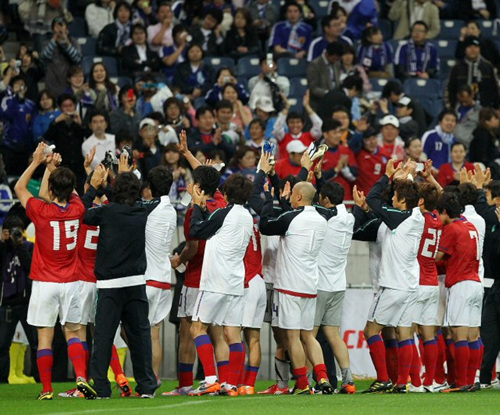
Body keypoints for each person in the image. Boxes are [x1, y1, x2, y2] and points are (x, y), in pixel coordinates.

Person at [14, 143, 94, 400]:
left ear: (49, 189)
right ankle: (81, 379)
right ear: (71, 190)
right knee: (72, 332)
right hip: (71, 282)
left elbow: (19, 188)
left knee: (44, 337)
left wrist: (39, 162)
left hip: (45, 282)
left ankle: (47, 389)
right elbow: (61, 194)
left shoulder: (40, 211)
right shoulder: (78, 209)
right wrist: (53, 168)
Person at [81, 158, 159, 399]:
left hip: (110, 286)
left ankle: (102, 388)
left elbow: (83, 213)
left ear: (113, 192)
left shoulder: (105, 212)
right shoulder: (142, 210)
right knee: (140, 337)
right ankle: (147, 386)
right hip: (135, 283)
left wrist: (93, 187)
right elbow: (138, 197)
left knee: (103, 339)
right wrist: (125, 173)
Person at [260, 181, 333, 395]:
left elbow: (266, 225)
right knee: (308, 336)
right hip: (310, 284)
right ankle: (323, 378)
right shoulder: (321, 220)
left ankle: (302, 384)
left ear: (299, 196)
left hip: (289, 285)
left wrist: (268, 200)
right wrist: (284, 203)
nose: (290, 197)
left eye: (292, 194)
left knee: (293, 337)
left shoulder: (291, 218)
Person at [165, 148, 228, 396]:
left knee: (188, 331)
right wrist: (188, 154)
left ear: (198, 187)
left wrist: (179, 259)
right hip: (219, 277)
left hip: (196, 277)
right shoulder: (222, 202)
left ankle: (189, 384)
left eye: (193, 182)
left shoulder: (194, 211)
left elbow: (193, 246)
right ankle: (225, 381)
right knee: (218, 332)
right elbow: (207, 179)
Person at [188, 174, 254, 396]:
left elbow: (197, 230)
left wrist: (197, 205)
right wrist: (205, 211)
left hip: (215, 280)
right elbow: (215, 224)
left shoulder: (224, 213)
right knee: (233, 334)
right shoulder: (247, 216)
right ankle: (232, 384)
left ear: (225, 195)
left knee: (197, 328)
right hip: (235, 282)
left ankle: (209, 380)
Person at [363, 160, 425, 394]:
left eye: (395, 196)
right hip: (410, 284)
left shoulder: (398, 218)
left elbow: (372, 199)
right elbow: (409, 194)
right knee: (404, 333)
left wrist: (386, 176)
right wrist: (406, 175)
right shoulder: (417, 215)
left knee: (370, 331)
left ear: (402, 201)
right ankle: (402, 383)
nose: (391, 199)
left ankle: (383, 379)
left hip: (392, 285)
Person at [436, 192, 483, 392]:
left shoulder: (451, 229)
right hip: (475, 283)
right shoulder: (470, 226)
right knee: (473, 335)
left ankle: (462, 383)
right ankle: (472, 381)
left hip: (461, 284)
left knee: (458, 334)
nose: (438, 218)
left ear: (445, 212)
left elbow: (438, 256)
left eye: (439, 214)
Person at [313, 182, 356, 393]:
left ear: (327, 201)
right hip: (338, 285)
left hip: (320, 284)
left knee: (308, 336)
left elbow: (311, 206)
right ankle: (348, 380)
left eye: (321, 197)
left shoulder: (325, 220)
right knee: (333, 334)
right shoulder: (349, 218)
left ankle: (319, 381)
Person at [144, 166, 177, 382]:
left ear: (149, 187)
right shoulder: (172, 210)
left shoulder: (147, 209)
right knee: (154, 333)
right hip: (164, 279)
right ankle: (153, 378)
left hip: (147, 277)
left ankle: (145, 375)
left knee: (131, 330)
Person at [411, 177, 443, 393]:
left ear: (421, 201)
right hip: (433, 282)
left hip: (417, 281)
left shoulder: (417, 220)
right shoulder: (437, 220)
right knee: (428, 333)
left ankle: (414, 382)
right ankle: (430, 381)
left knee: (406, 332)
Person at [0, 216, 37, 384]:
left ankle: (40, 379)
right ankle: (2, 381)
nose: (15, 235)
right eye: (12, 231)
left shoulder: (29, 247)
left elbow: (31, 268)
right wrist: (2, 243)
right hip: (6, 304)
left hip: (27, 303)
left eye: (18, 231)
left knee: (36, 343)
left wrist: (21, 245)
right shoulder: (2, 248)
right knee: (2, 345)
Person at [43, 94, 86, 191]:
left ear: (75, 106)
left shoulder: (80, 123)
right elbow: (47, 137)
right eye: (65, 106)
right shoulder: (56, 124)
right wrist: (56, 121)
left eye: (70, 105)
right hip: (63, 164)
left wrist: (80, 124)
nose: (68, 109)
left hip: (78, 166)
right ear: (60, 108)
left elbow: (89, 136)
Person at [447, 36, 500, 109]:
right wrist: (452, 107)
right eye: (470, 47)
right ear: (465, 49)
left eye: (475, 47)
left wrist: (496, 108)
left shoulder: (488, 67)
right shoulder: (456, 68)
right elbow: (450, 90)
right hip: (460, 109)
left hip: (484, 109)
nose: (473, 50)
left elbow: (495, 90)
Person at [0, 76, 37, 176]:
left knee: (22, 176)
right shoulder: (6, 101)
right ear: (12, 88)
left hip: (25, 146)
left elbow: (32, 126)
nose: (19, 87)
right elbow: (5, 115)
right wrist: (15, 99)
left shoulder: (31, 105)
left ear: (26, 88)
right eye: (17, 85)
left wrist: (32, 147)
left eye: (22, 85)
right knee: (8, 175)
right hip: (8, 145)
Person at [40, 17, 82, 97]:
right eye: (56, 26)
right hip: (52, 83)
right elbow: (45, 57)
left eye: (61, 25)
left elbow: (77, 59)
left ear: (67, 29)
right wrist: (54, 40)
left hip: (69, 84)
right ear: (52, 30)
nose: (59, 29)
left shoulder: (73, 42)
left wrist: (66, 42)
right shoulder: (46, 43)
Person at [272, 92, 322, 158]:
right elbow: (277, 128)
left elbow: (319, 125)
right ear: (287, 124)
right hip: (285, 167)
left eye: (298, 122)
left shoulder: (310, 136)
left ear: (303, 124)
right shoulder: (283, 138)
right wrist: (287, 107)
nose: (295, 125)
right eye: (292, 122)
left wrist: (307, 106)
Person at [320, 119, 358, 201]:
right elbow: (317, 178)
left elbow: (354, 176)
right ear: (325, 134)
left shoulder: (346, 151)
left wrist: (344, 168)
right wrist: (336, 169)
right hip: (325, 200)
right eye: (334, 133)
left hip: (346, 199)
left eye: (339, 132)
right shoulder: (318, 153)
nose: (338, 135)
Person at [307, 41, 344, 111]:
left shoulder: (337, 63)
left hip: (335, 102)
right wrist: (329, 94)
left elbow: (337, 82)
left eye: (338, 59)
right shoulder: (315, 65)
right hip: (318, 103)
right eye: (334, 58)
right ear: (327, 54)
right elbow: (313, 88)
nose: (336, 61)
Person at [355, 128, 390, 194]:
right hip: (361, 195)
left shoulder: (385, 154)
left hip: (379, 195)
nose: (372, 142)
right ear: (363, 141)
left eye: (374, 138)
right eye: (368, 140)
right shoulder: (358, 154)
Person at [469, 108, 500, 179]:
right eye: (495, 118)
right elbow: (481, 155)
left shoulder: (490, 133)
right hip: (481, 165)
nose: (498, 120)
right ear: (487, 121)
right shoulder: (482, 135)